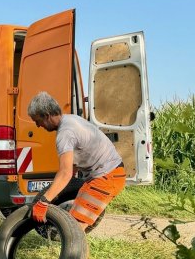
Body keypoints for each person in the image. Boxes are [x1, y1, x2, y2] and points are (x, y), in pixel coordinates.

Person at [27, 91, 126, 231]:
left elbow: (65, 173)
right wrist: (61, 190)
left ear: (47, 115)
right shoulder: (71, 119)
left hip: (106, 177)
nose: (37, 125)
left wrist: (43, 202)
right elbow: (73, 165)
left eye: (37, 120)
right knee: (74, 228)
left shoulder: (65, 134)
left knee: (75, 231)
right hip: (108, 173)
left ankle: (75, 253)